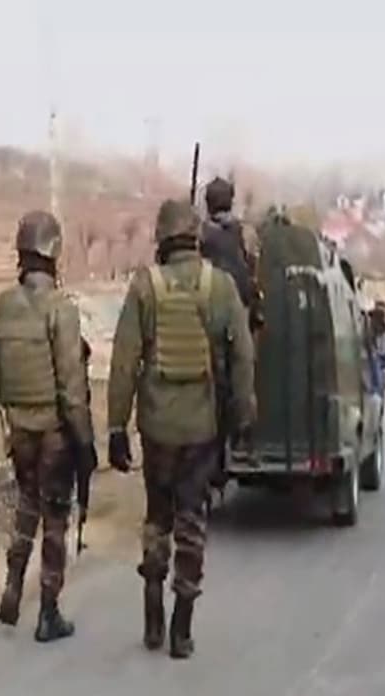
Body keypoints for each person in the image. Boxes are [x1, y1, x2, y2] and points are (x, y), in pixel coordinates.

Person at [107, 198, 256, 659]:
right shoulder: (220, 287)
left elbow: (124, 362)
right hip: (200, 428)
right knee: (192, 522)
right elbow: (243, 356)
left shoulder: (144, 287)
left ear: (162, 239)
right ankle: (181, 631)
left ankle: (152, 618)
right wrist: (241, 414)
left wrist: (116, 426)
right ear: (197, 238)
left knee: (158, 518)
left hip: (156, 427)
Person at [0, 210, 96, 643]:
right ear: (54, 253)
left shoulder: (2, 306)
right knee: (54, 517)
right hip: (53, 432)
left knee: (25, 507)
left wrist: (10, 421)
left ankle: (13, 584)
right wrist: (84, 442)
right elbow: (72, 386)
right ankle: (48, 612)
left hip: (19, 429)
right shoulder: (60, 310)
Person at [199, 176, 261, 329]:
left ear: (208, 203)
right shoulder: (246, 232)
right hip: (240, 303)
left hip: (208, 303)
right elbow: (254, 269)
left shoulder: (199, 232)